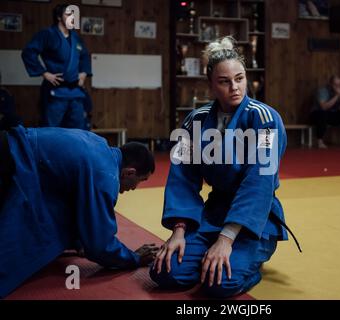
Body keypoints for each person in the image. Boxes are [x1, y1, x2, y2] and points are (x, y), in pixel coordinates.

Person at [150, 36, 300, 298]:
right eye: (224, 81)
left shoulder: (264, 119)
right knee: (165, 272)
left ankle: (250, 264)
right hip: (214, 214)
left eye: (240, 78)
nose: (235, 87)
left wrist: (226, 239)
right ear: (210, 85)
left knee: (219, 285)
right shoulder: (194, 120)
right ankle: (210, 259)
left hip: (255, 221)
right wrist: (179, 231)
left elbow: (259, 182)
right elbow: (181, 177)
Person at [0, 126, 157, 298]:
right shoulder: (106, 177)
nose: (135, 188)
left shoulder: (101, 146)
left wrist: (79, 240)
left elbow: (74, 202)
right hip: (11, 159)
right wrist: (133, 258)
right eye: (140, 181)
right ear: (129, 172)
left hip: (13, 144)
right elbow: (99, 244)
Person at [21, 4, 92, 129]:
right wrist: (44, 73)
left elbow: (85, 56)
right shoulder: (47, 34)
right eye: (68, 14)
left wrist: (84, 73)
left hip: (75, 92)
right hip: (56, 91)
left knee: (78, 131)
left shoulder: (76, 37)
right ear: (59, 17)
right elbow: (28, 52)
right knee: (51, 130)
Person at [310, 75, 340, 149]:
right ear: (330, 84)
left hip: (332, 114)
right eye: (335, 85)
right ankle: (320, 141)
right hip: (317, 114)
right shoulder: (323, 91)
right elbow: (324, 107)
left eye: (339, 85)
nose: (337, 87)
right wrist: (337, 96)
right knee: (322, 114)